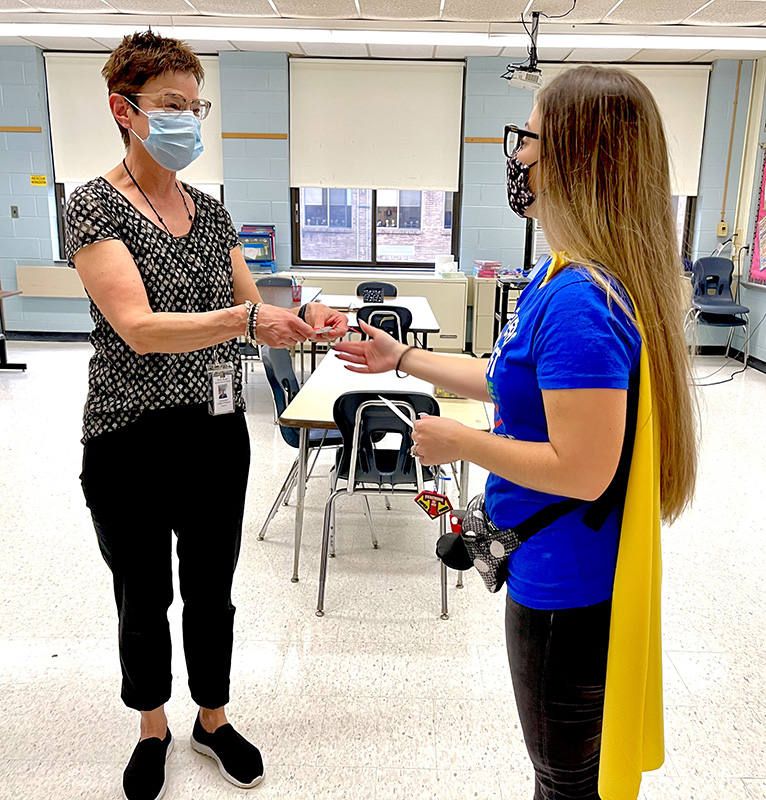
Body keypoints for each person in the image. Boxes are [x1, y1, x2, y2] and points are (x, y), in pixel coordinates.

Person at [335, 65, 697, 800]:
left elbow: (583, 469)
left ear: (578, 155)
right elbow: (509, 378)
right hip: (552, 566)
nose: (518, 154)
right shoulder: (562, 275)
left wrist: (460, 443)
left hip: (567, 587)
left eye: (528, 137)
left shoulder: (579, 303)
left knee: (565, 782)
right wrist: (401, 357)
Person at [66, 31, 347, 800]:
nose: (188, 119)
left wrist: (298, 320)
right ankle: (152, 724)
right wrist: (245, 322)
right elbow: (138, 326)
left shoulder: (213, 213)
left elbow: (250, 309)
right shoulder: (92, 205)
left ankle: (212, 719)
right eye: (171, 105)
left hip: (216, 432)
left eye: (197, 106)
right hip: (128, 431)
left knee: (212, 586)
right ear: (126, 111)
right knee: (143, 590)